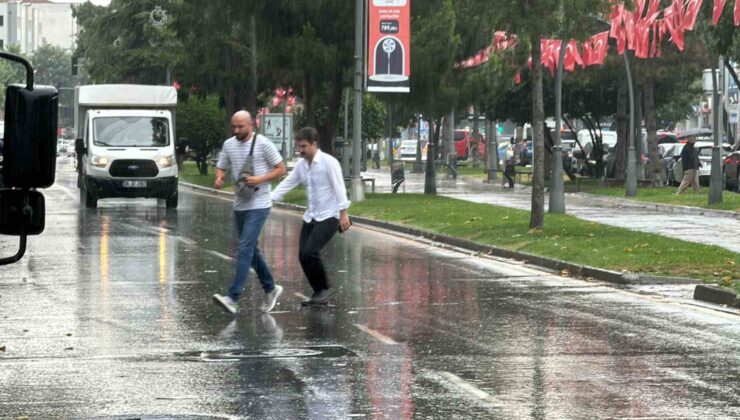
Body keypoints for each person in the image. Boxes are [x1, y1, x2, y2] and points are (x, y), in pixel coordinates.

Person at [212, 110, 286, 315]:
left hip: (260, 204)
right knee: (251, 250)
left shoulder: (263, 143)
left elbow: (281, 169)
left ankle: (233, 297)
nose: (236, 130)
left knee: (244, 246)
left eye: (240, 127)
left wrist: (260, 179)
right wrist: (219, 178)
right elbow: (222, 166)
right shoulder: (229, 144)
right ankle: (270, 288)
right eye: (233, 127)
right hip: (240, 203)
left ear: (251, 125)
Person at [271, 126, 351, 306]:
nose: (300, 150)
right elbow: (288, 183)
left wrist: (343, 214)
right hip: (311, 216)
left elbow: (339, 187)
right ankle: (319, 292)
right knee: (302, 255)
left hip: (329, 216)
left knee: (310, 251)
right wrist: (270, 199)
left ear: (314, 144)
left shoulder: (328, 162)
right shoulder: (301, 165)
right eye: (298, 146)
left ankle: (325, 289)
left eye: (303, 146)